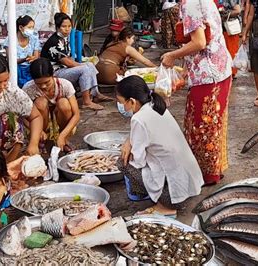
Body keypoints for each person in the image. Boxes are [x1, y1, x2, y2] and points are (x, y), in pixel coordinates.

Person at [161, 0, 233, 185]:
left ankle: (206, 175)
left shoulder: (190, 3)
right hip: (219, 68)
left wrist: (172, 55)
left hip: (208, 73)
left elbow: (200, 42)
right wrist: (186, 66)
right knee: (214, 122)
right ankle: (214, 169)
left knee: (202, 125)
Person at [116, 76, 203, 216]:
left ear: (132, 101)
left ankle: (164, 206)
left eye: (121, 102)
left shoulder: (138, 119)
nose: (121, 107)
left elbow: (138, 161)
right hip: (190, 185)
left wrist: (129, 147)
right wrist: (129, 141)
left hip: (174, 197)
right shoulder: (155, 105)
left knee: (123, 162)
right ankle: (154, 194)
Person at [41, 12, 111, 111]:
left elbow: (69, 58)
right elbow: (67, 62)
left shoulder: (64, 39)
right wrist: (81, 66)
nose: (67, 29)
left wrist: (84, 65)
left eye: (69, 26)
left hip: (64, 70)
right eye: (64, 26)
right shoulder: (55, 41)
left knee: (90, 65)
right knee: (85, 69)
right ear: (57, 27)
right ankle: (86, 102)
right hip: (55, 73)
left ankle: (96, 93)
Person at [23, 58, 80, 152]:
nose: (43, 86)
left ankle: (63, 139)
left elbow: (76, 115)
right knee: (40, 103)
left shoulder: (65, 85)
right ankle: (41, 139)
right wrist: (39, 131)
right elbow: (23, 116)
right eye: (39, 83)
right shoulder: (28, 88)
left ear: (53, 75)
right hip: (40, 123)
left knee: (63, 103)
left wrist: (62, 136)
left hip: (60, 120)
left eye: (47, 82)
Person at [4, 15, 41, 88]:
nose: (32, 30)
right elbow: (10, 60)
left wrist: (33, 58)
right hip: (16, 69)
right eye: (29, 27)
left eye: (33, 27)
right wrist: (24, 59)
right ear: (20, 27)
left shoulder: (34, 39)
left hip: (30, 67)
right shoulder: (10, 40)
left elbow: (36, 56)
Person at [218, 0, 242, 78]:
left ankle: (231, 72)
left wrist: (224, 14)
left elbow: (237, 10)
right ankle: (228, 72)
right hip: (222, 27)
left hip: (230, 27)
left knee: (231, 50)